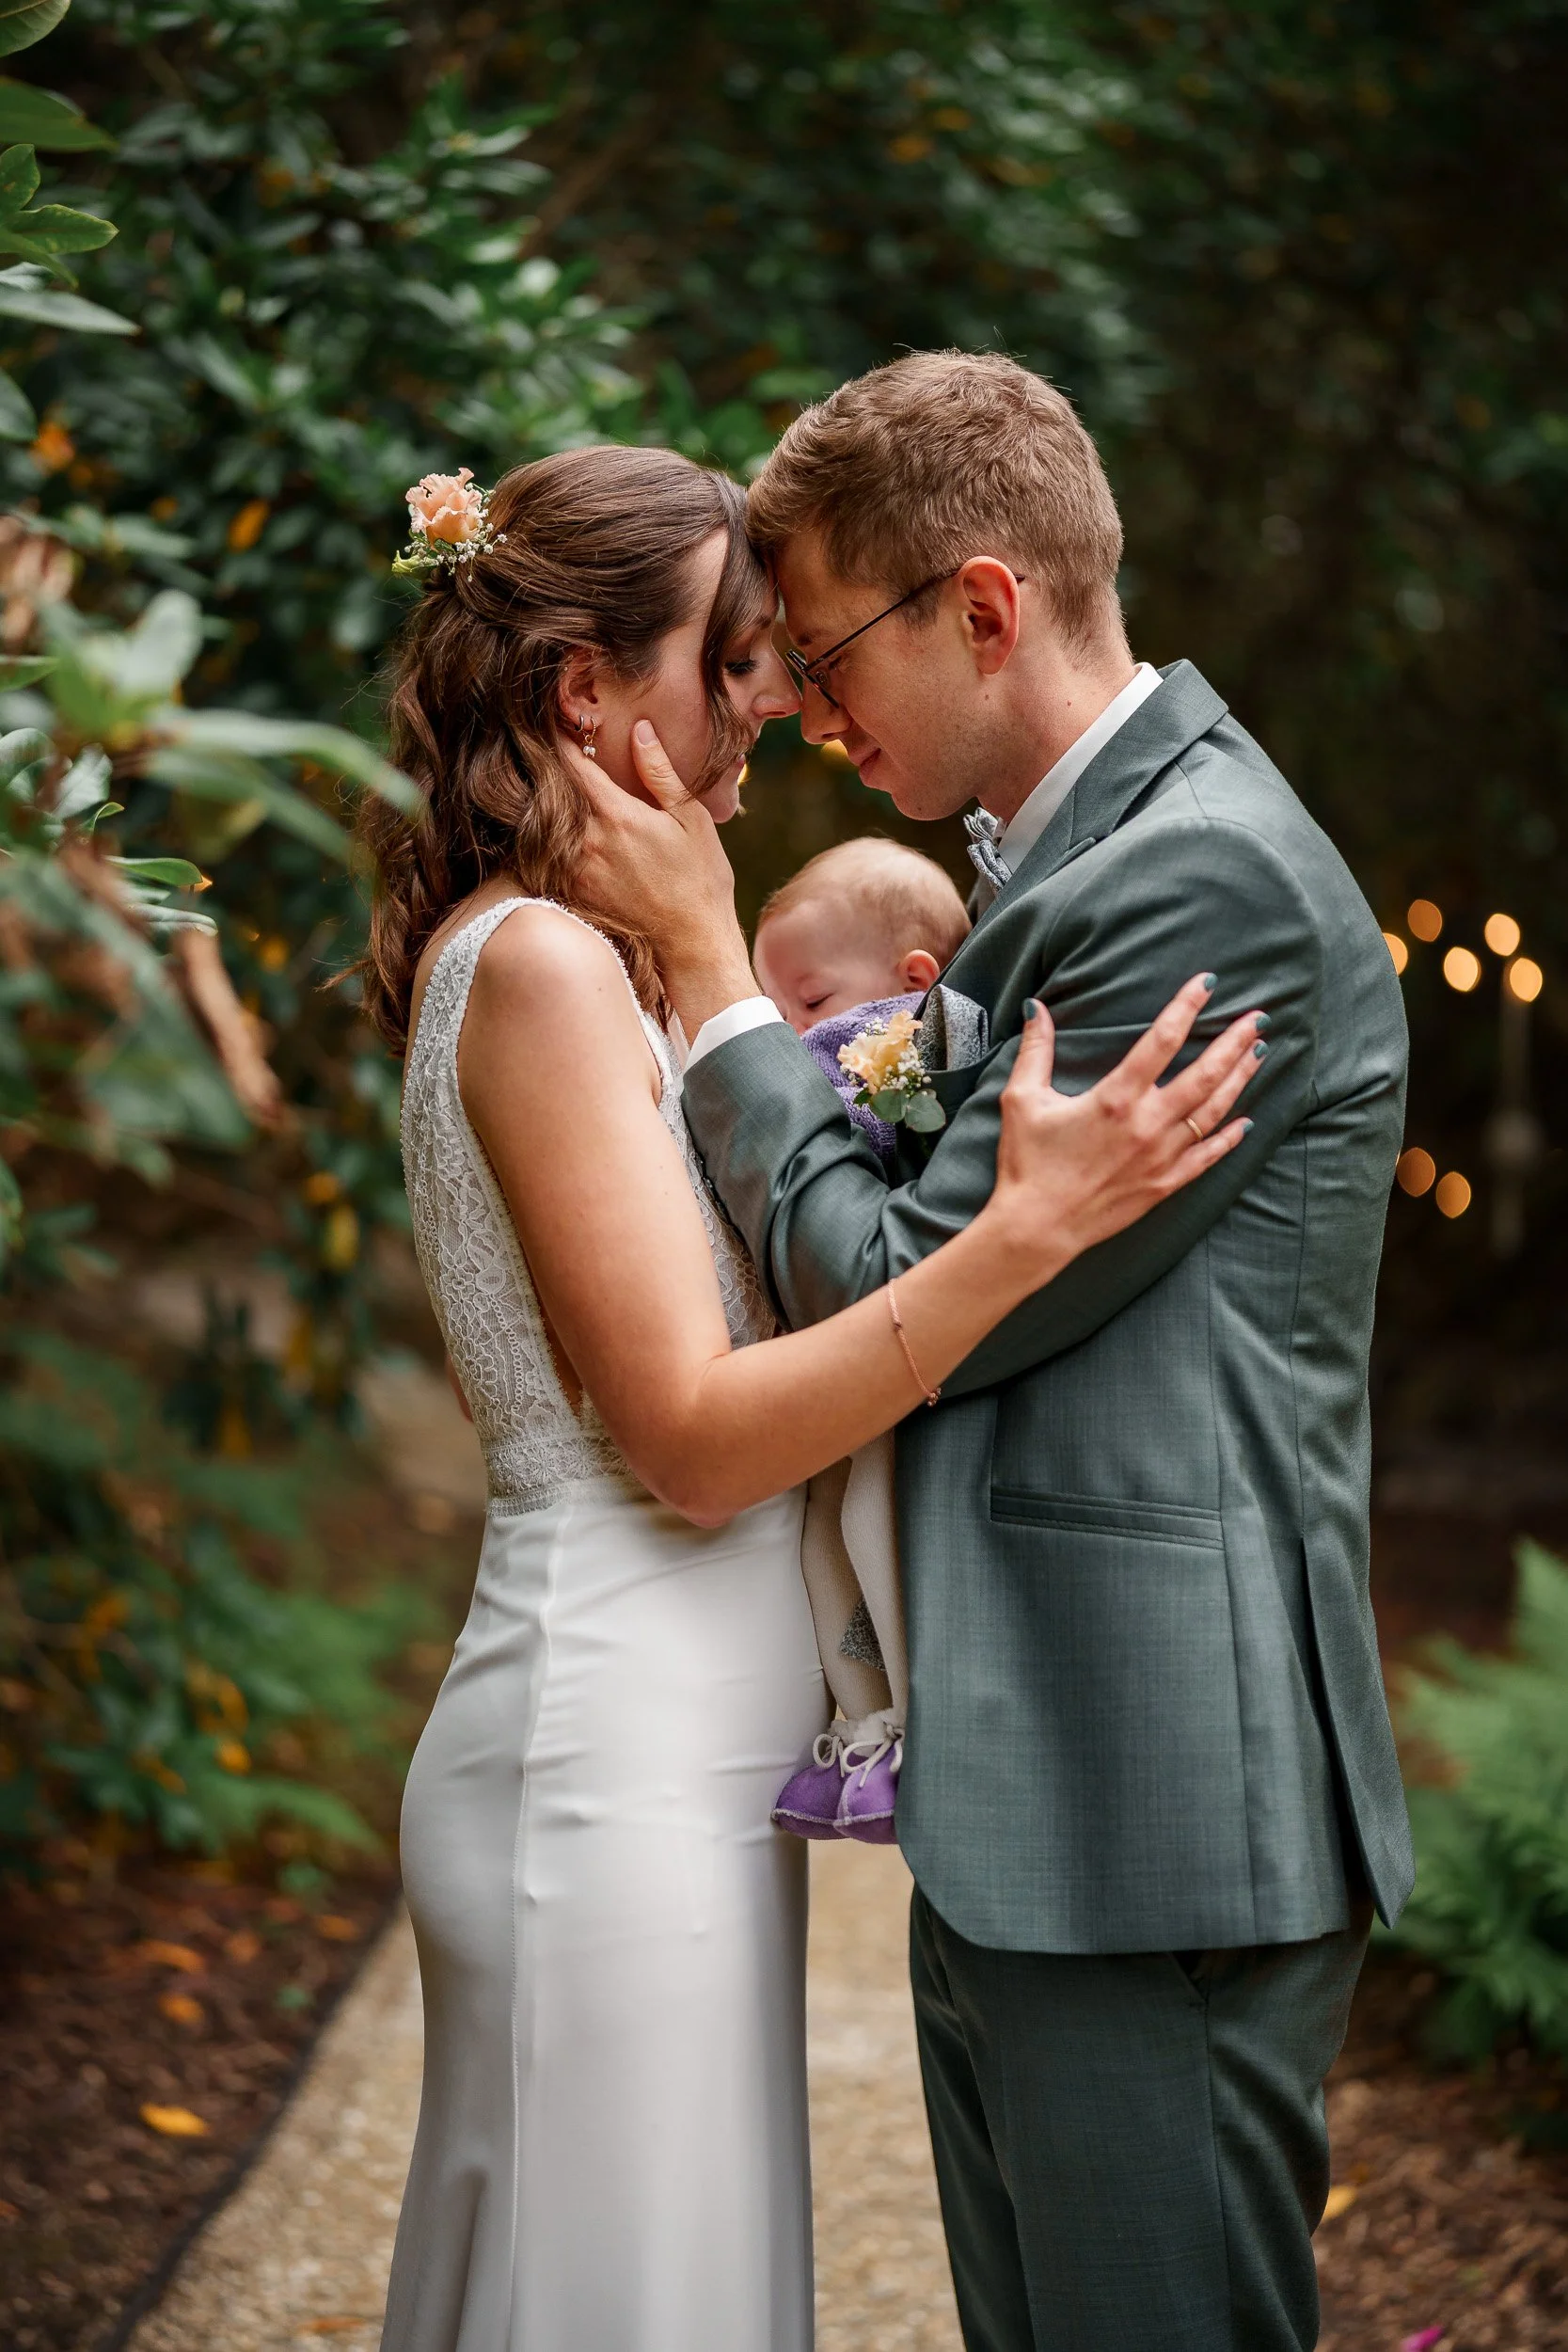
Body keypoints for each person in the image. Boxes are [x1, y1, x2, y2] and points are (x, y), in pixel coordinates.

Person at [358, 440, 1261, 2352]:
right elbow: (688, 1439)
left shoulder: (592, 966)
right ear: (582, 689)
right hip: (600, 1764)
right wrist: (1011, 1238)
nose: (770, 696)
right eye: (731, 656)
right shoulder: (529, 965)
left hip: (664, 1767)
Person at [572, 353, 1417, 2352]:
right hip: (1036, 1789)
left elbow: (904, 1291)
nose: (794, 699)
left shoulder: (1190, 875)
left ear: (978, 605)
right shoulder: (1064, 860)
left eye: (821, 642)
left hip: (1154, 1815)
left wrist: (708, 972)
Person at [755, 841, 971, 1840]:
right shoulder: (855, 1047)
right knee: (822, 1529)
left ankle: (914, 1727)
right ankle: (861, 1723)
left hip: (889, 1352)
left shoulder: (898, 1048)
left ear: (910, 981)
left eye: (805, 999)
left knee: (867, 1519)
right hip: (836, 1358)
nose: (791, 1030)